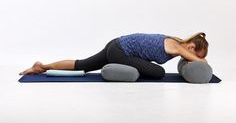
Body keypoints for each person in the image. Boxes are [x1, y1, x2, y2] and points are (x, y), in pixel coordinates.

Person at [19, 32, 208, 79]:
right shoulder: (176, 45)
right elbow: (199, 62)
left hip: (117, 44)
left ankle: (42, 66)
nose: (190, 58)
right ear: (191, 47)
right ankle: (113, 71)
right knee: (158, 72)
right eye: (194, 54)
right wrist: (202, 61)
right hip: (119, 50)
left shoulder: (173, 41)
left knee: (82, 65)